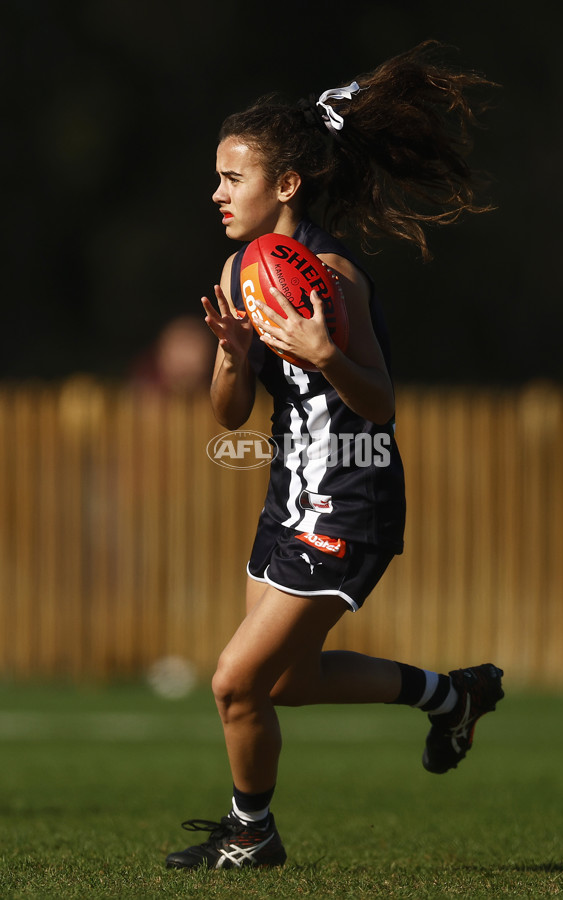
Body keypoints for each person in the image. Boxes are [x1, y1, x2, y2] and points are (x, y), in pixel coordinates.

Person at [166, 40, 504, 870]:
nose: (215, 193)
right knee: (282, 682)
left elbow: (380, 404)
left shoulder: (335, 278)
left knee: (233, 682)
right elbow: (231, 414)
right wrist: (234, 358)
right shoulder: (245, 270)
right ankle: (451, 695)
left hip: (351, 499)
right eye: (216, 176)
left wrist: (327, 355)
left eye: (230, 177)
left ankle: (252, 835)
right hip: (291, 493)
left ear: (285, 184)